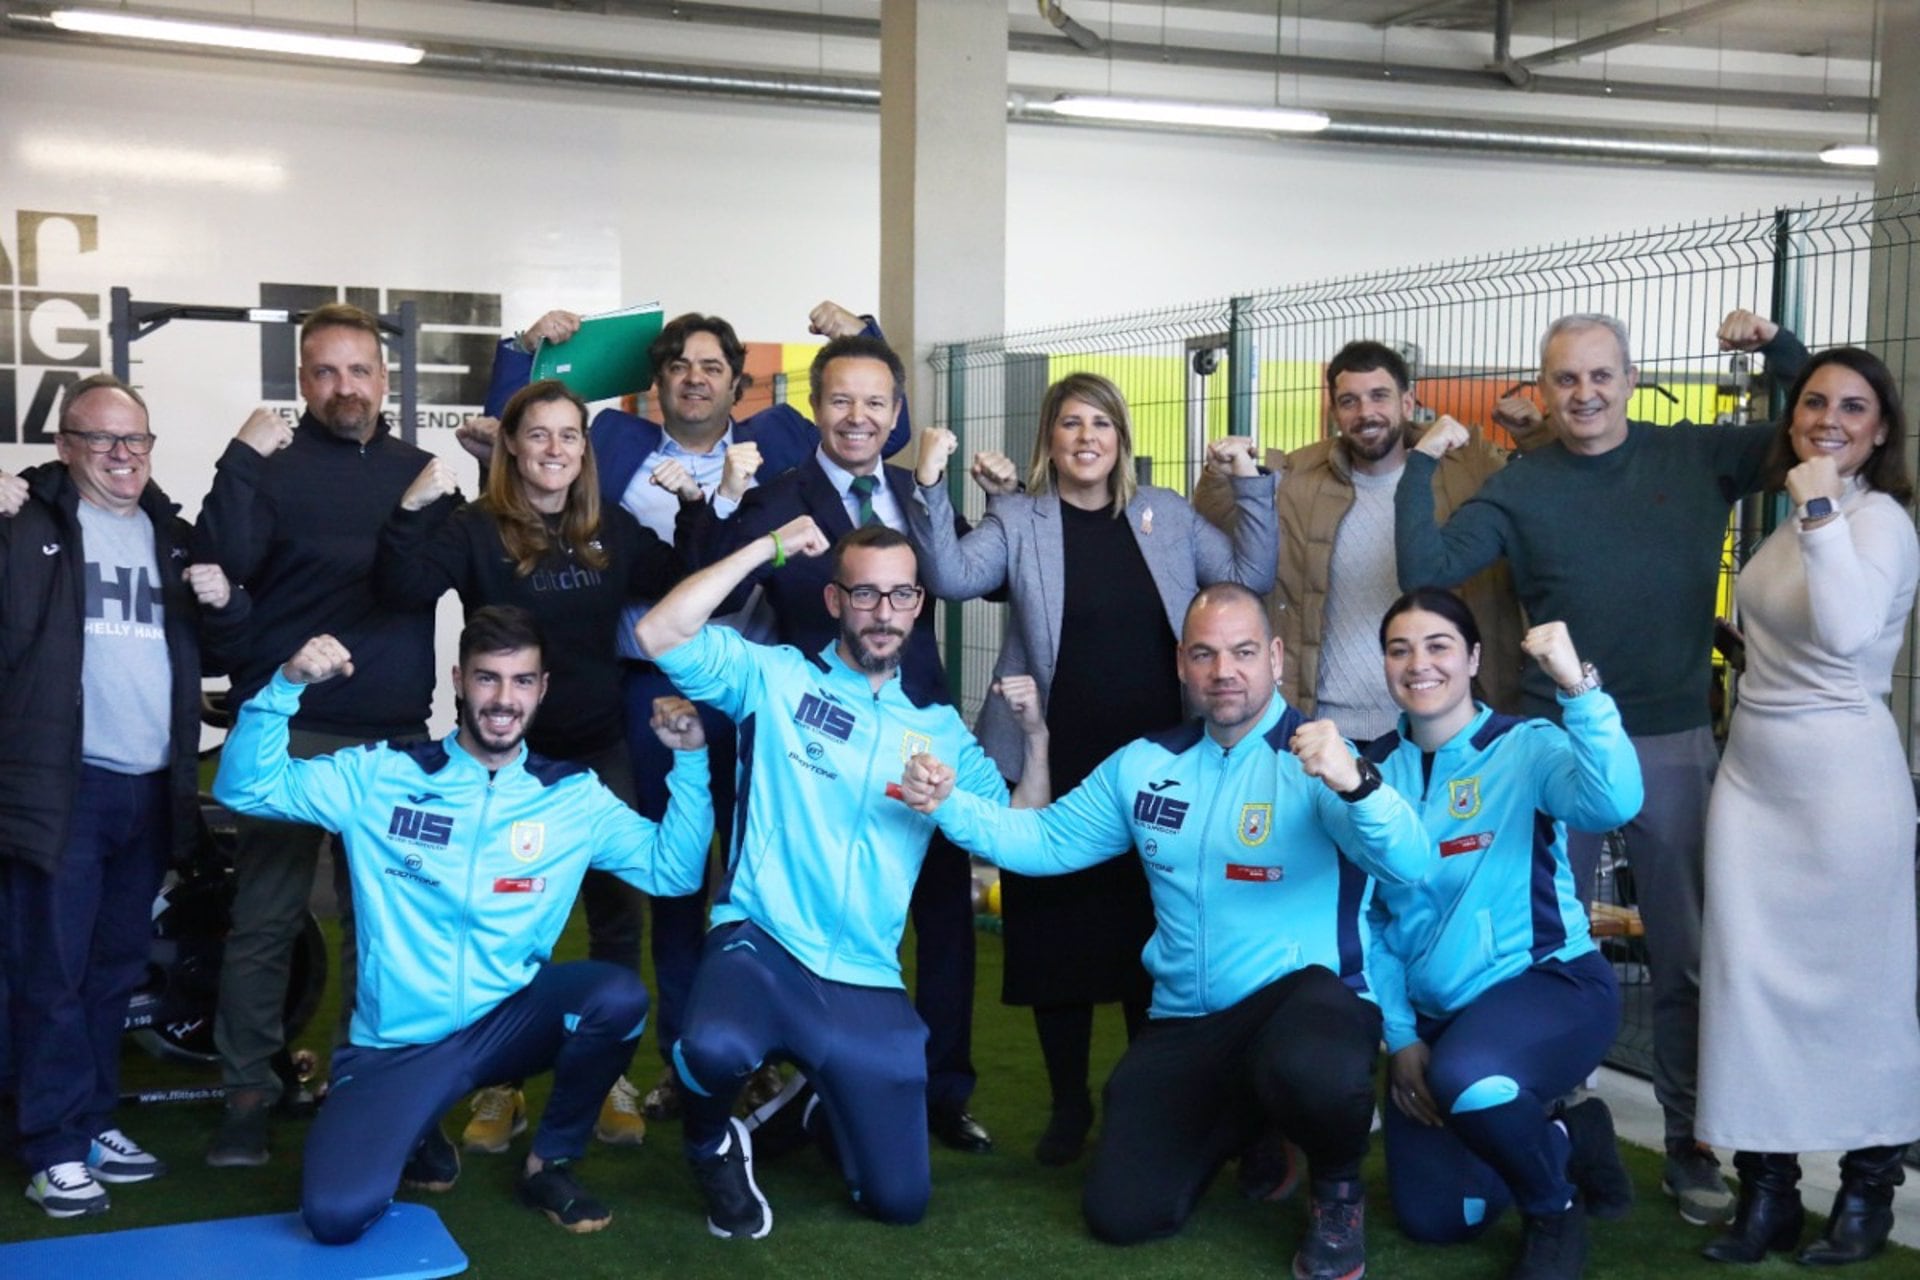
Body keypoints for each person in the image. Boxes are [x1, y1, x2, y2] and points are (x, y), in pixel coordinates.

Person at [1394, 308, 1808, 1225]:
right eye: (1565, 380)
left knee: (1686, 957)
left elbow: (1813, 428)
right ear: (1542, 392)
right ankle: (1553, 1125)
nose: (1584, 394)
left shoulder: (1696, 455)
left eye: (1600, 376)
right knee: (1537, 960)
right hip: (1553, 751)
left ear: (1630, 378)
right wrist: (1423, 460)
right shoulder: (1521, 485)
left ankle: (1690, 1141)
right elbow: (1426, 563)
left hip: (1671, 739)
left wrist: (1777, 348)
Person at [898, 583, 1432, 1280]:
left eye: (1244, 652)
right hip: (1188, 1023)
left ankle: (1336, 1191)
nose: (1224, 671)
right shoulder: (1146, 765)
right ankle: (1253, 1127)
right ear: (1182, 663)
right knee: (1122, 1215)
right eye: (1205, 654)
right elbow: (1047, 840)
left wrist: (1358, 782)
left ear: (1273, 656)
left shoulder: (1318, 759)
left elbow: (1411, 864)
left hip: (1302, 1009)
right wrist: (949, 805)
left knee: (1315, 1056)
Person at [475, 302, 910, 1127]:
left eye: (712, 367)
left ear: (737, 383)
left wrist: (864, 329)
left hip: (757, 693)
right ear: (657, 381)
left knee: (755, 873)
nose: (695, 379)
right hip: (649, 687)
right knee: (672, 877)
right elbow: (516, 427)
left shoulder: (780, 438)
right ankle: (680, 1057)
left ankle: (761, 1061)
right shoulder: (617, 443)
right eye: (679, 366)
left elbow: (882, 421)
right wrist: (516, 350)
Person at [211, 606, 713, 1242]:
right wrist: (284, 687)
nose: (504, 700)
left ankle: (548, 1162)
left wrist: (691, 761)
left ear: (543, 688)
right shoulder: (383, 773)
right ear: (457, 680)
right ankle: (417, 1128)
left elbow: (673, 873)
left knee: (615, 997)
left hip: (506, 1025)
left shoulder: (572, 796)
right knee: (336, 1217)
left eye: (522, 681)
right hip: (395, 1044)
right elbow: (245, 789)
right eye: (487, 679)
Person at [903, 371, 1278, 1165]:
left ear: (1120, 439)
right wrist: (930, 485)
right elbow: (950, 577)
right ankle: (1069, 1106)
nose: (1085, 438)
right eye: (1070, 423)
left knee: (1156, 928)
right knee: (1055, 938)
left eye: (1100, 424)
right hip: (1055, 756)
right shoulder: (1019, 518)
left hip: (1161, 761)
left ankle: (1147, 1099)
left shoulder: (1167, 515)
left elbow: (1247, 579)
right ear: (1051, 438)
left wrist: (1251, 482)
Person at [634, 519, 1044, 1239]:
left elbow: (1024, 833)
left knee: (899, 1202)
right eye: (864, 594)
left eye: (899, 595)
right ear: (834, 600)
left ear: (919, 604)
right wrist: (769, 548)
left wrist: (1034, 738)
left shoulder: (941, 733)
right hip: (761, 942)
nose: (883, 612)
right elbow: (659, 633)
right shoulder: (775, 675)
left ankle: (818, 1102)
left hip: (863, 975)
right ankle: (710, 1145)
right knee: (711, 1048)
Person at [674, 334, 998, 1153]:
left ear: (897, 415)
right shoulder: (778, 498)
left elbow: (969, 571)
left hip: (921, 733)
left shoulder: (917, 492)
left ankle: (941, 1093)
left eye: (876, 402)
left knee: (944, 920)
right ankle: (794, 1078)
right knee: (819, 918)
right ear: (815, 408)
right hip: (818, 742)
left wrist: (1012, 499)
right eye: (842, 400)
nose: (858, 417)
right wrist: (725, 509)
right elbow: (716, 590)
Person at [374, 377, 681, 1149]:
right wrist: (415, 508)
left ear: (585, 448)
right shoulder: (477, 528)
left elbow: (679, 580)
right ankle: (498, 1084)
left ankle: (609, 1074)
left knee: (617, 918)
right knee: (504, 927)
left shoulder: (609, 528)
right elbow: (402, 584)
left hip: (598, 752)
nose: (554, 449)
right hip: (507, 761)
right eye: (537, 434)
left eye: (569, 435)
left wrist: (714, 505)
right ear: (510, 445)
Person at [193, 302, 447, 1168]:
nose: (346, 388)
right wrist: (236, 463)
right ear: (303, 381)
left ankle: (371, 1090)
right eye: (326, 372)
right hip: (289, 736)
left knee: (384, 932)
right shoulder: (274, 465)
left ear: (385, 379)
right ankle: (248, 1096)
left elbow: (415, 590)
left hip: (392, 741)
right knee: (265, 922)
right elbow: (219, 569)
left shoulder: (422, 471)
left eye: (360, 371)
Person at [1694, 347, 1920, 1267]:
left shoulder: (1880, 520)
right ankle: (1768, 1195)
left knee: (1863, 994)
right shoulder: (1789, 521)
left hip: (1845, 788)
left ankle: (1867, 1195)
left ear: (1880, 429)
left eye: (1854, 407)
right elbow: (1786, 634)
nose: (1829, 417)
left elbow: (1847, 629)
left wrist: (1821, 501)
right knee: (1747, 988)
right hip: (1753, 780)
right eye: (1815, 401)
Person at [0, 375, 245, 1218]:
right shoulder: (26, 525)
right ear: (65, 446)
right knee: (50, 974)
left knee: (111, 972)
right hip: (63, 789)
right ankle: (51, 1145)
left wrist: (228, 601)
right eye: (101, 439)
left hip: (150, 789)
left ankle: (93, 1119)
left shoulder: (169, 538)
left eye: (134, 440)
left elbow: (222, 642)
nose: (120, 455)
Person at [1365, 591, 1643, 1280]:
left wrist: (1576, 686)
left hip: (1549, 986)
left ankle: (1554, 1209)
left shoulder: (1525, 746)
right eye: (1400, 649)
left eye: (1438, 646)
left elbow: (1615, 801)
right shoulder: (1368, 772)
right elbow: (1367, 922)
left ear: (1473, 658)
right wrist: (1401, 1039)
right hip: (1437, 1018)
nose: (1418, 663)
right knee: (1437, 1223)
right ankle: (1570, 1135)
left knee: (1469, 1076)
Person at [1193, 340, 1543, 734]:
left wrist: (1534, 437)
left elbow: (1550, 494)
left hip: (1446, 723)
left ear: (1407, 403)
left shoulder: (1467, 469)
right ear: (1335, 413)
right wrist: (1219, 474)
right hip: (1329, 725)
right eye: (1349, 402)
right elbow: (1217, 529)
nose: (1365, 413)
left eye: (1379, 396)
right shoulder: (1299, 479)